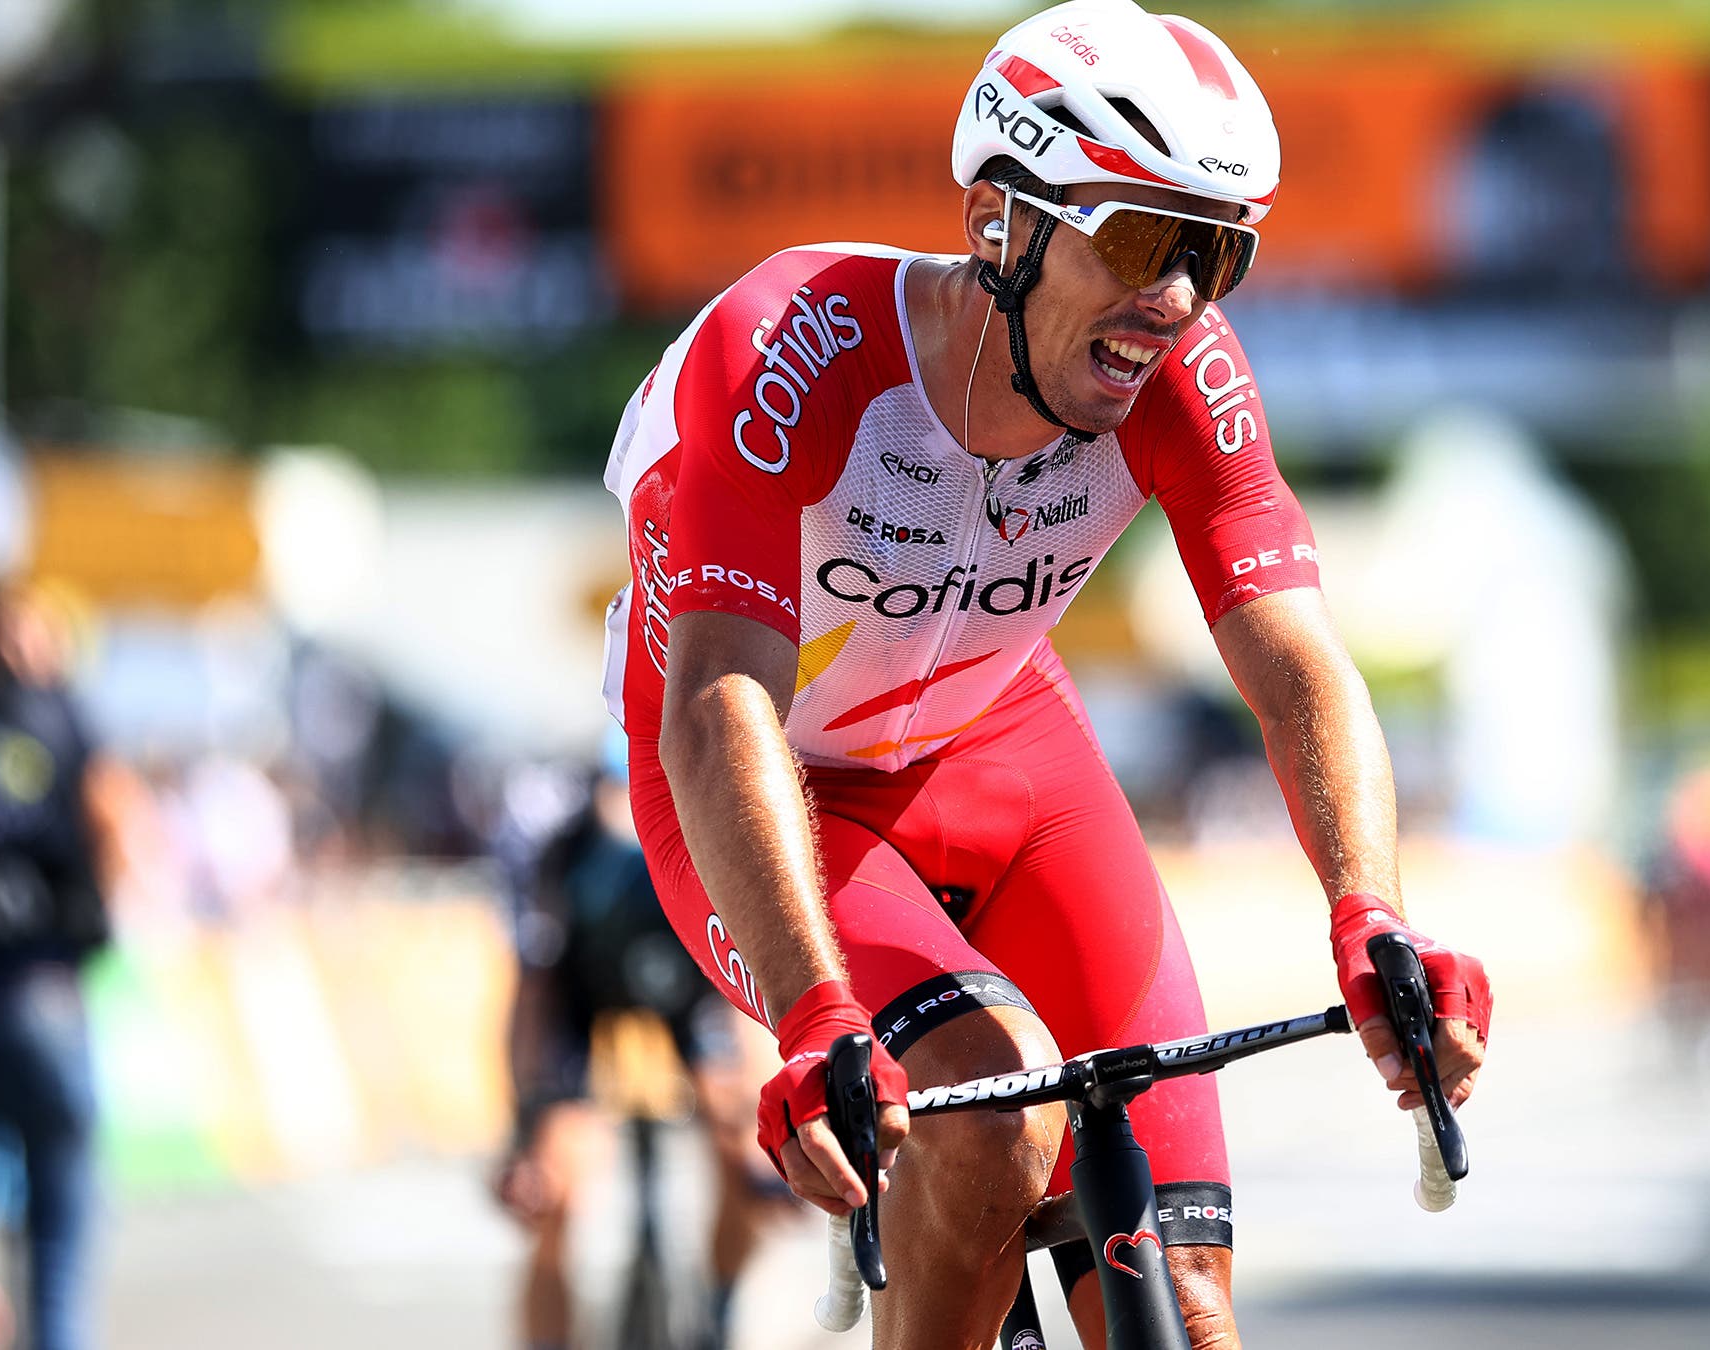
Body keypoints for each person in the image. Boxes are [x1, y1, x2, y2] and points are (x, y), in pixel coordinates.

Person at [595, 2, 1492, 1345]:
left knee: (1186, 1313)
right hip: (773, 791)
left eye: (1215, 252)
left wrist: (1373, 913)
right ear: (999, 220)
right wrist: (811, 1005)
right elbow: (721, 701)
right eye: (1139, 237)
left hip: (1006, 759)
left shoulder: (1185, 374)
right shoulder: (791, 349)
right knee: (999, 1106)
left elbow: (1298, 659)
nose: (1175, 299)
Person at [489, 736, 790, 1350]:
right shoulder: (551, 838)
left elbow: (745, 1001)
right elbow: (533, 999)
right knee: (554, 1181)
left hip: (690, 983)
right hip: (581, 990)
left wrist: (762, 1145)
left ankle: (719, 1307)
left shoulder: (721, 825)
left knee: (744, 1147)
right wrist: (528, 1126)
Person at [0, 579, 116, 1350]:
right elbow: (117, 821)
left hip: (27, 988)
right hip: (41, 990)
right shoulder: (60, 717)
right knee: (62, 1230)